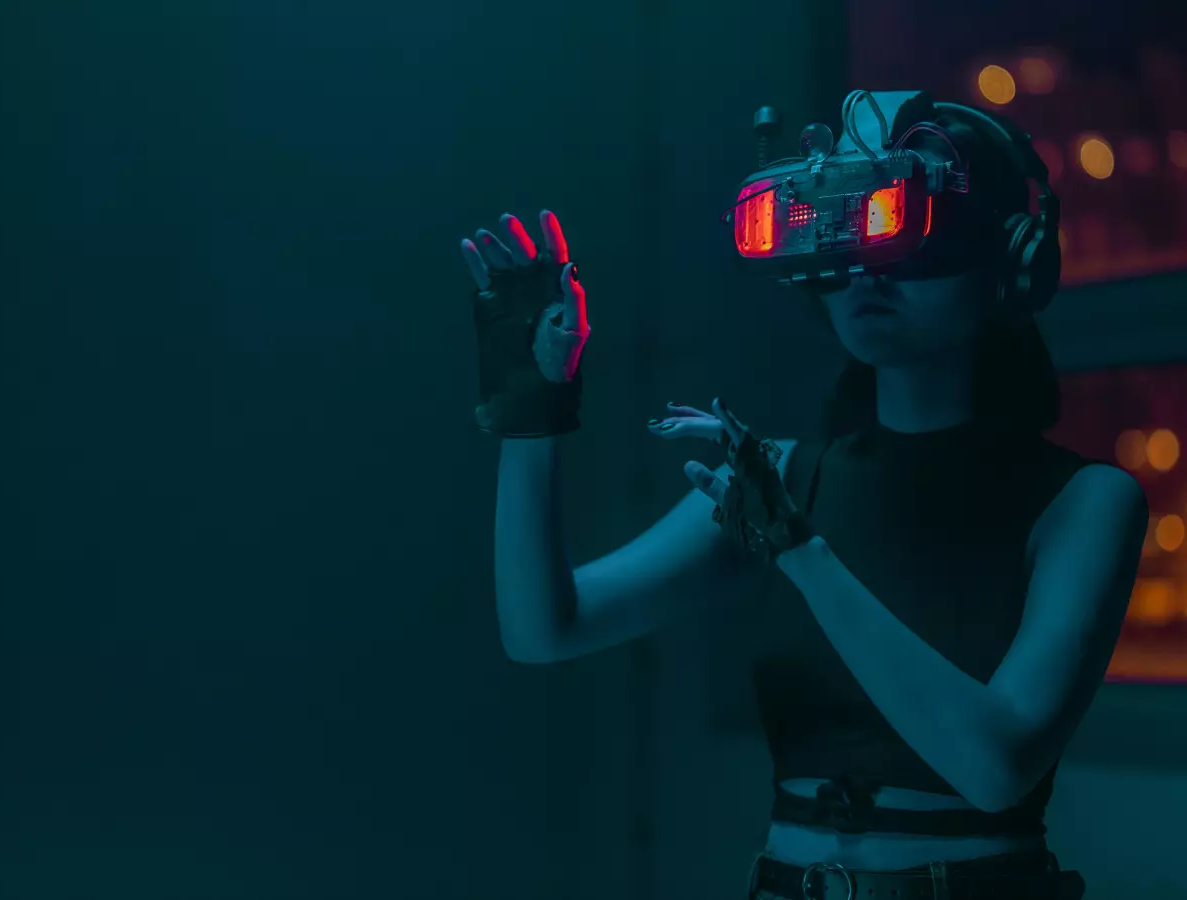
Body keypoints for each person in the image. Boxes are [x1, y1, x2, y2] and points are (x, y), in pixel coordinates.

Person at [459, 99, 1148, 899]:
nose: (868, 276)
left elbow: (996, 766)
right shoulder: (782, 478)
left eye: (906, 232)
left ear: (1011, 262)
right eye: (844, 236)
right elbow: (544, 628)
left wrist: (804, 554)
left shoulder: (1082, 502)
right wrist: (531, 412)